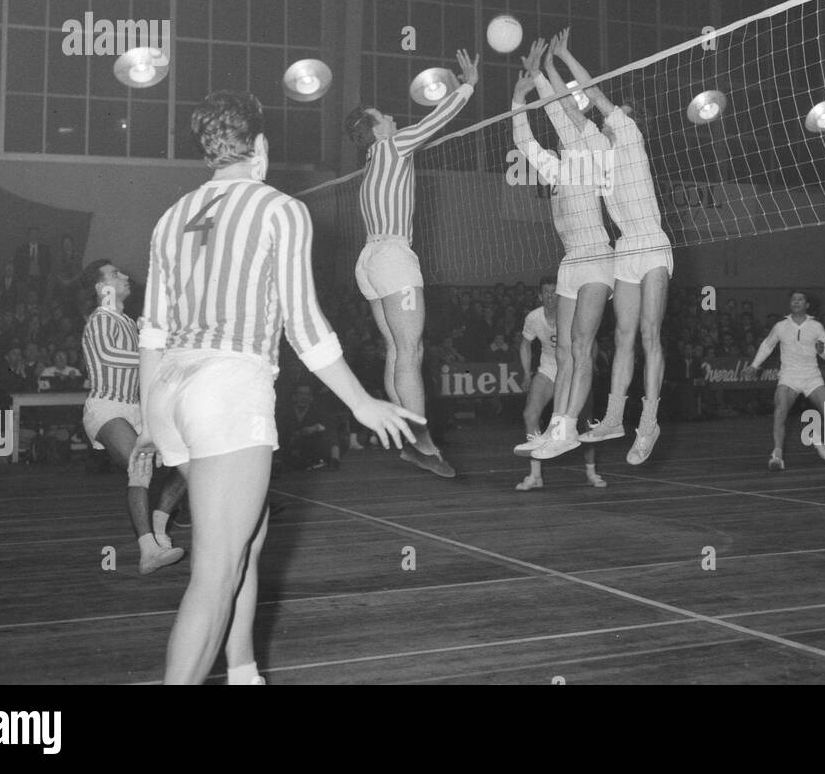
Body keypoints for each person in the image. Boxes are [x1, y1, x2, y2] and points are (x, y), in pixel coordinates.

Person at [132, 90, 422, 685]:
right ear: (260, 148)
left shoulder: (170, 216)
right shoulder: (279, 208)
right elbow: (304, 323)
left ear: (209, 152)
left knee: (249, 534)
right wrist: (361, 402)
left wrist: (149, 420)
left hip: (168, 389)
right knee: (215, 572)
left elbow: (153, 329)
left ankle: (243, 671)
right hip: (227, 387)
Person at [343, 49, 479, 478]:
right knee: (410, 351)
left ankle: (405, 438)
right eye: (384, 116)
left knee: (395, 351)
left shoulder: (370, 166)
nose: (392, 118)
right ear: (376, 130)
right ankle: (422, 444)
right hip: (392, 256)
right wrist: (468, 86)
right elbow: (432, 124)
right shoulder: (390, 147)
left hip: (369, 260)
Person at [544, 30, 673, 465]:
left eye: (616, 113)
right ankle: (615, 416)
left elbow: (592, 94)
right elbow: (568, 105)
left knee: (650, 333)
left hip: (653, 245)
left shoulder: (628, 134)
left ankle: (648, 422)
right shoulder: (597, 151)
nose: (606, 117)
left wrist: (565, 53)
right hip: (624, 250)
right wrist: (548, 69)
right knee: (621, 336)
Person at [509, 39, 615, 465]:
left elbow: (559, 109)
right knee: (566, 352)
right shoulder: (557, 165)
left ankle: (567, 427)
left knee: (581, 345)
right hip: (570, 261)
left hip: (597, 259)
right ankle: (558, 429)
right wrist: (519, 98)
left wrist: (542, 72)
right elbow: (527, 140)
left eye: (574, 111)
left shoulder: (596, 150)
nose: (566, 116)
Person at [81, 259, 187, 574]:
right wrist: (158, 354)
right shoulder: (100, 319)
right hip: (106, 408)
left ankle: (159, 524)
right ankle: (148, 551)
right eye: (115, 274)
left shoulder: (130, 322)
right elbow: (111, 356)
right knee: (139, 467)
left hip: (137, 409)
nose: (125, 275)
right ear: (103, 289)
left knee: (187, 457)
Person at [513, 276, 604, 491]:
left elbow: (592, 343)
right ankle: (535, 475)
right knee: (530, 415)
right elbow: (525, 345)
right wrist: (526, 374)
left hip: (573, 372)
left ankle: (591, 472)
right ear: (539, 296)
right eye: (546, 292)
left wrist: (589, 365)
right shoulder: (534, 318)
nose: (551, 296)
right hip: (548, 370)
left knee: (585, 422)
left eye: (555, 292)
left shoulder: (572, 314)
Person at [745, 291, 825, 470]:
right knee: (780, 411)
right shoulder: (780, 326)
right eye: (793, 299)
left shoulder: (816, 326)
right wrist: (754, 365)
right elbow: (767, 345)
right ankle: (777, 455)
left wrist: (822, 350)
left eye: (800, 299)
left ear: (807, 305)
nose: (796, 302)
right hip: (789, 377)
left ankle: (817, 437)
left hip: (812, 377)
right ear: (790, 304)